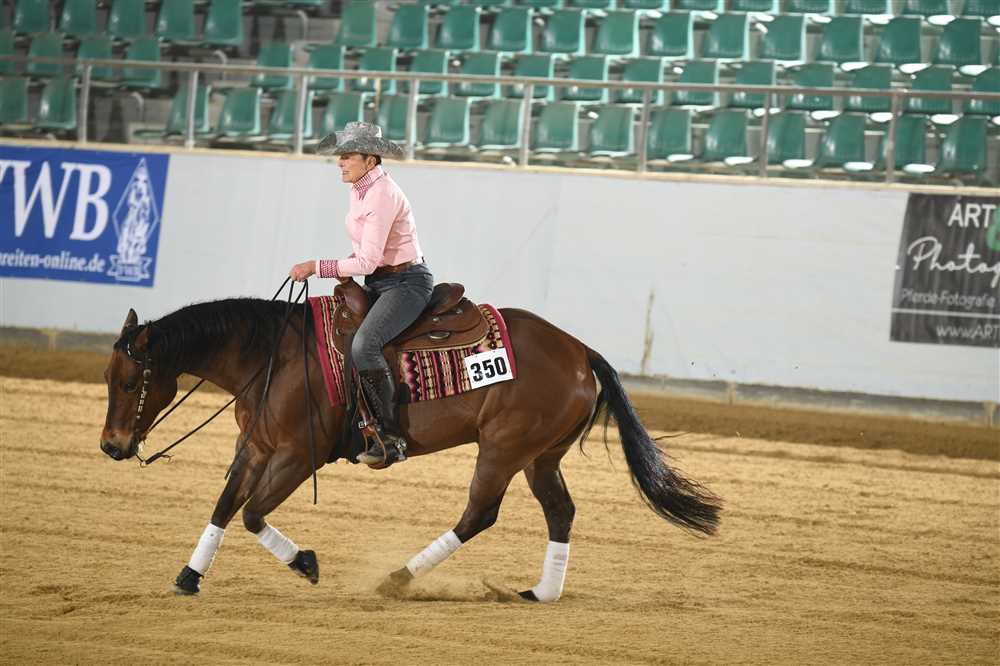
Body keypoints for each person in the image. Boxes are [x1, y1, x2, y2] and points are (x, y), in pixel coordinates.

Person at [289, 122, 433, 465]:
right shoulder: (361, 188)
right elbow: (368, 252)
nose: (340, 162)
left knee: (365, 345)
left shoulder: (381, 194)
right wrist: (345, 264)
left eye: (348, 156)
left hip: (405, 283)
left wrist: (317, 266)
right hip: (383, 280)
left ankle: (390, 437)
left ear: (370, 160)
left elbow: (368, 260)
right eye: (341, 156)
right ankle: (355, 424)